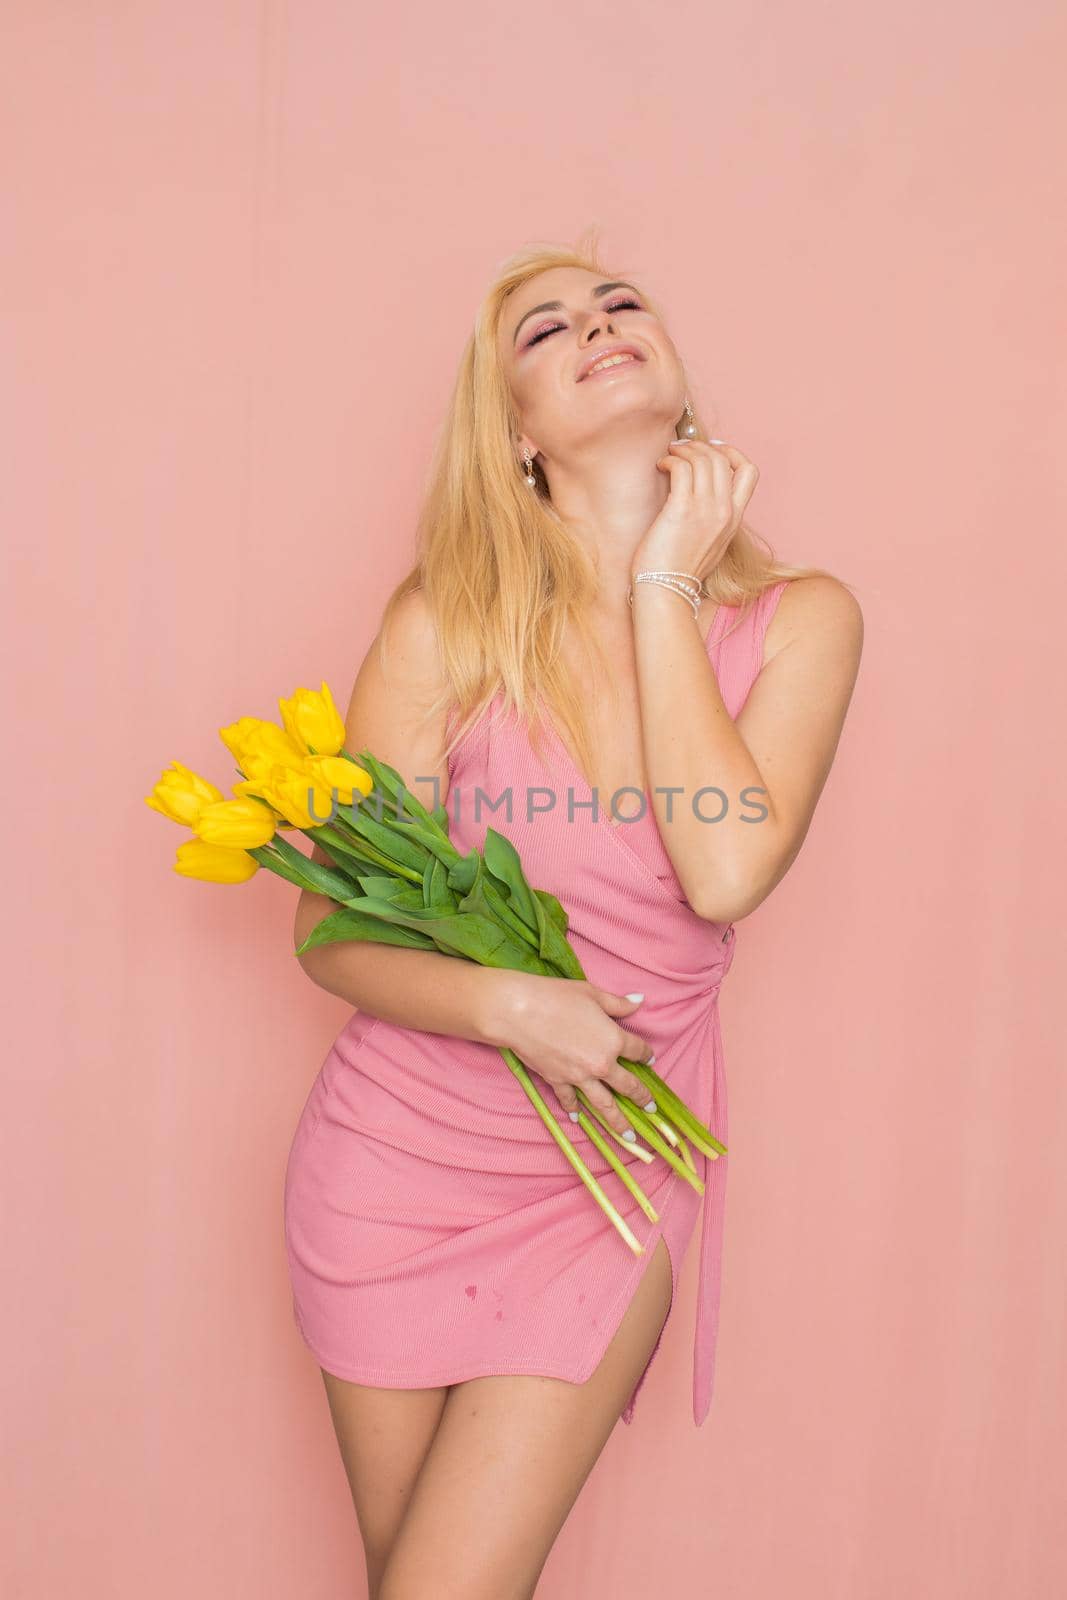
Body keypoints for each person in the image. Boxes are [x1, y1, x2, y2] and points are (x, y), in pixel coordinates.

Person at [284, 234, 863, 1600]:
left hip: (599, 1190)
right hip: (394, 1163)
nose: (597, 323)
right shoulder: (445, 630)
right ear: (517, 437)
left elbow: (722, 871)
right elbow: (331, 935)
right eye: (544, 332)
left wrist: (663, 578)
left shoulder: (800, 622)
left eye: (620, 304)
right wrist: (511, 1004)